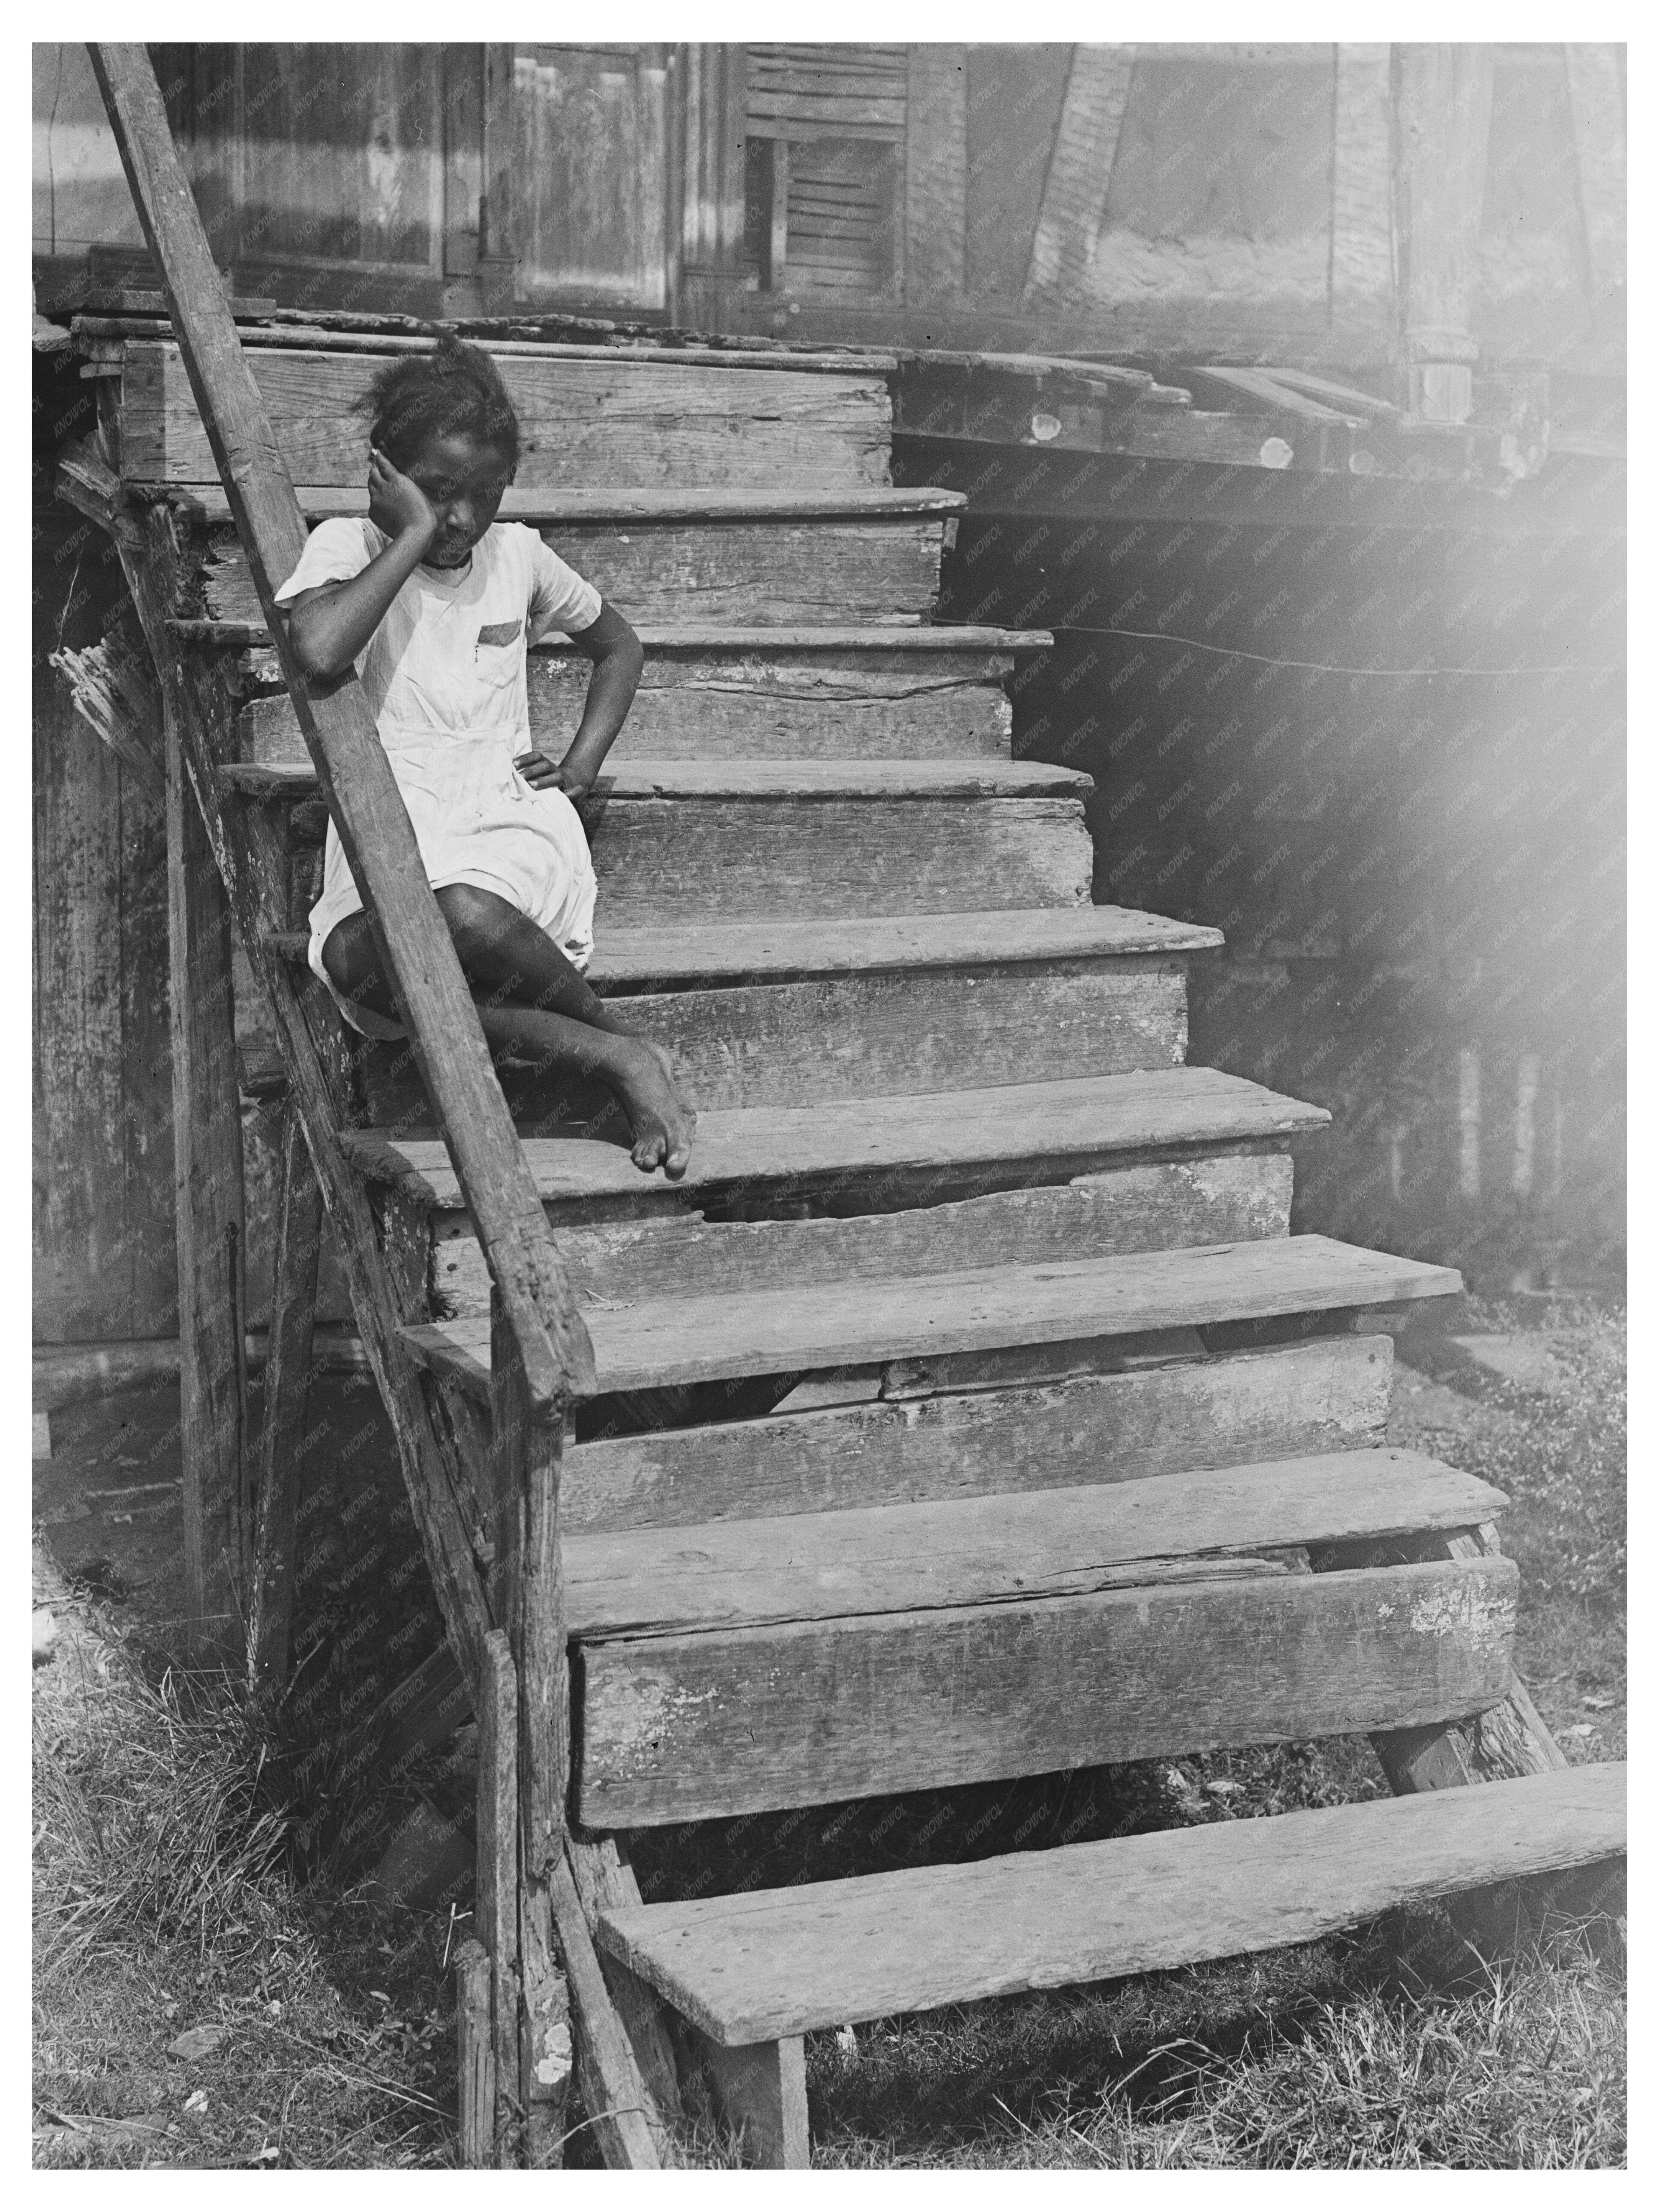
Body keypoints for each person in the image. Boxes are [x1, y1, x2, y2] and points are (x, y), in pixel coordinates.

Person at [276, 336, 695, 1177]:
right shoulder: (348, 547)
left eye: (484, 496)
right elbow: (318, 652)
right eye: (437, 494)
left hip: (501, 817)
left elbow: (620, 646)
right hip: (389, 821)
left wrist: (578, 768)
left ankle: (613, 1053)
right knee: (357, 968)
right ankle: (619, 1052)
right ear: (385, 475)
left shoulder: (517, 555)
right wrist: (408, 536)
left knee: (458, 914)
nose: (462, 520)